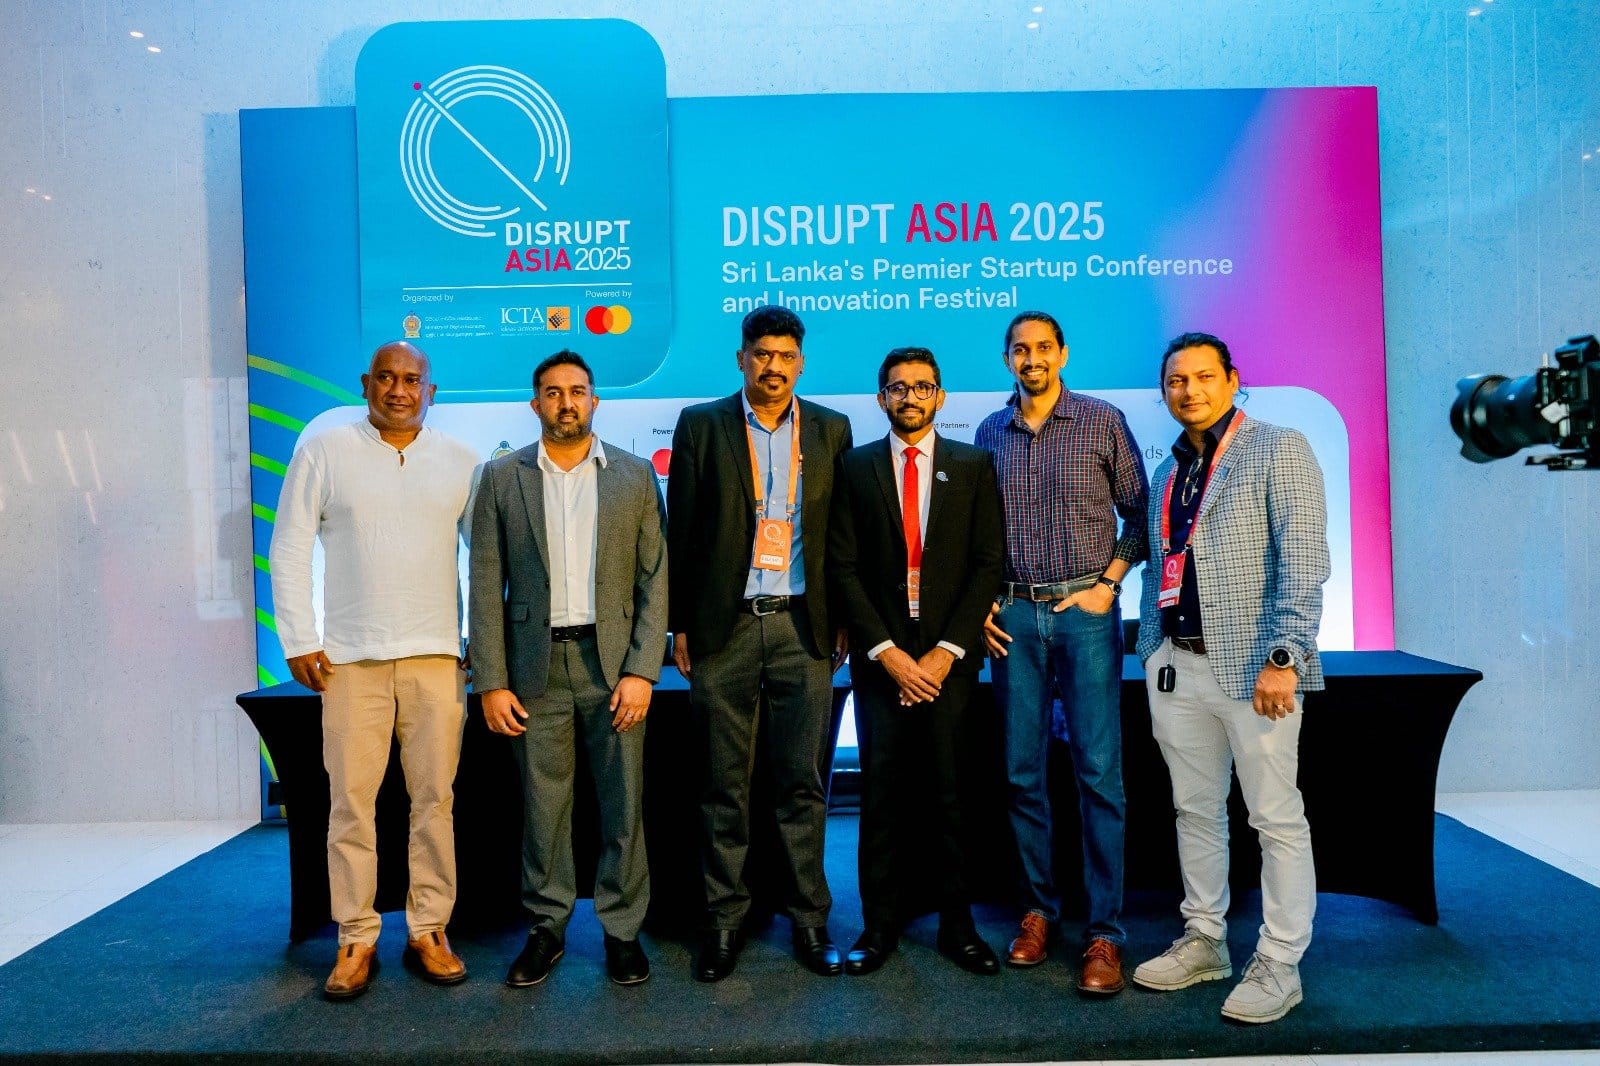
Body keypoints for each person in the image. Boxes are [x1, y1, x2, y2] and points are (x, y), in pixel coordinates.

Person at [269, 340, 479, 1000]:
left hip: (436, 658)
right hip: (349, 662)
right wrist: (298, 638)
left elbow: (491, 558)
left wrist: (480, 637)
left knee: (435, 801)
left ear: (431, 392)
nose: (399, 390)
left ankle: (429, 929)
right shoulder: (324, 451)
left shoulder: (462, 461)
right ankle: (356, 936)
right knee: (351, 805)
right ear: (365, 384)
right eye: (386, 377)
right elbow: (289, 547)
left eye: (412, 379)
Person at [1130, 332, 1329, 1024]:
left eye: (1203, 377)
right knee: (1194, 810)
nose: (1189, 390)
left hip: (1255, 671)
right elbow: (1161, 565)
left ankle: (1280, 961)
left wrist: (1285, 657)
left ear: (1233, 379)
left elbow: (1304, 561)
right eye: (1176, 381)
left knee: (1274, 817)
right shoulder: (1168, 471)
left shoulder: (1278, 448)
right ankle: (1205, 939)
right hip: (1176, 666)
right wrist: (1152, 649)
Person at [467, 350, 668, 988]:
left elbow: (654, 580)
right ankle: (547, 926)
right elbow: (485, 584)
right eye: (553, 393)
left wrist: (643, 670)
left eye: (577, 391)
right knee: (544, 805)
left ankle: (622, 930)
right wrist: (491, 680)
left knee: (623, 802)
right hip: (534, 668)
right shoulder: (500, 477)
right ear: (536, 404)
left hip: (613, 667)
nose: (566, 403)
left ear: (594, 400)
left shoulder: (635, 475)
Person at [667, 305, 854, 981]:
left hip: (804, 626)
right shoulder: (702, 424)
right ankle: (723, 921)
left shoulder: (831, 428)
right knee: (723, 787)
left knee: (802, 784)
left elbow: (841, 534)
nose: (774, 367)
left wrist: (842, 618)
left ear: (800, 363)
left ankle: (809, 919)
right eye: (762, 354)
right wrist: (681, 624)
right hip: (727, 629)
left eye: (785, 356)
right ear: (741, 358)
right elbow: (681, 529)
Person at [976, 310, 1149, 995]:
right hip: (1014, 615)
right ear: (1007, 359)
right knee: (1021, 772)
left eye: (1043, 347)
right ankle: (1037, 912)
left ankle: (1104, 932)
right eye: (1021, 350)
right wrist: (984, 601)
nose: (1032, 359)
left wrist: (1110, 586)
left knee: (1098, 773)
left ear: (1063, 353)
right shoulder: (991, 431)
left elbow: (1141, 514)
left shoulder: (1102, 421)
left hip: (1086, 611)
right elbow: (978, 532)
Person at [828, 347, 1005, 977]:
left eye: (922, 387)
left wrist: (943, 653)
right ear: (881, 398)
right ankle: (878, 927)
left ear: (940, 396)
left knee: (952, 795)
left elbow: (987, 562)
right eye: (898, 388)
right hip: (882, 662)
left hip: (948, 662)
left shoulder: (974, 465)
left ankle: (959, 926)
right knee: (880, 797)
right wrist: (890, 655)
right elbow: (842, 567)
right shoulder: (854, 467)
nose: (910, 397)